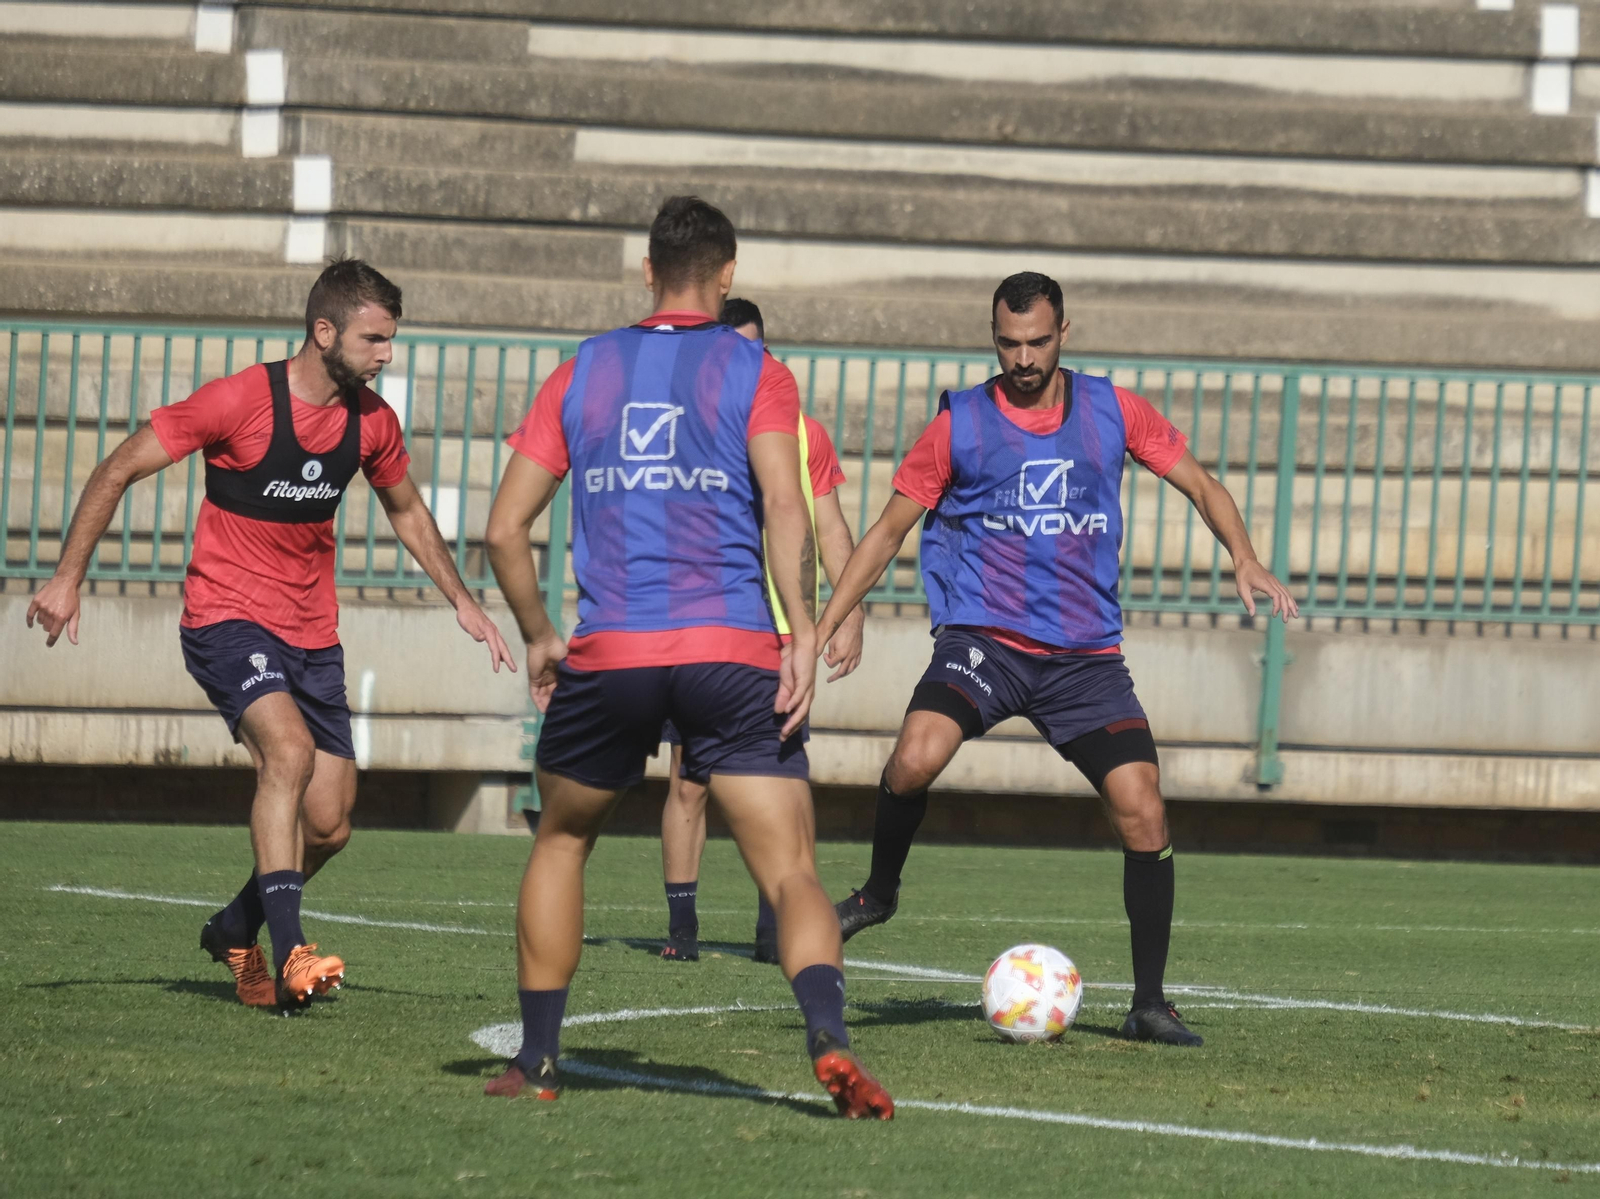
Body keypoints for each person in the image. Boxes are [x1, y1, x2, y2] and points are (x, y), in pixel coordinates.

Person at [481, 196, 892, 1118]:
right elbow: (787, 509)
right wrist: (800, 635)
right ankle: (827, 1037)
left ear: (647, 273)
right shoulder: (756, 369)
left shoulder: (581, 369)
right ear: (729, 273)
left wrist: (542, 635)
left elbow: (505, 530)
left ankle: (539, 1060)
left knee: (561, 840)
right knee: (790, 871)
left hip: (612, 652)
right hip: (734, 653)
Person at [813, 271, 1299, 1048]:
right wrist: (824, 622)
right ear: (993, 338)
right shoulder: (961, 424)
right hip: (986, 643)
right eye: (1008, 343)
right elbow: (885, 531)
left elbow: (1200, 482)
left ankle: (1148, 1002)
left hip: (1084, 658)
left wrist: (1243, 556)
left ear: (1065, 330)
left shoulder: (1112, 408)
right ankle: (878, 891)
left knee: (1143, 804)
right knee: (913, 758)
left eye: (1038, 341)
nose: (1023, 357)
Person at [25, 259, 515, 1010]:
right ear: (324, 332)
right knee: (286, 752)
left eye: (391, 339)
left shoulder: (371, 423)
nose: (387, 353)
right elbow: (121, 464)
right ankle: (290, 956)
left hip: (312, 635)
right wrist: (68, 574)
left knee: (331, 823)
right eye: (374, 338)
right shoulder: (240, 400)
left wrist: (462, 598)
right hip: (224, 617)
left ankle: (233, 925)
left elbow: (408, 511)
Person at [658, 296, 865, 966]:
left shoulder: (804, 433)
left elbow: (830, 528)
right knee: (690, 778)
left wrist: (851, 606)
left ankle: (772, 928)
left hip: (783, 639)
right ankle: (682, 930)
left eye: (758, 351)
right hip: (708, 628)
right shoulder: (691, 429)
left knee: (776, 781)